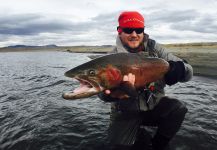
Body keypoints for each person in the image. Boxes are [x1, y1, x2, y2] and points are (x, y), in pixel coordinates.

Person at [98, 11, 193, 150]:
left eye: (139, 30)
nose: (134, 34)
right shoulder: (111, 58)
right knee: (118, 147)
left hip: (154, 106)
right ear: (120, 31)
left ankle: (158, 145)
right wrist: (109, 94)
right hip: (126, 113)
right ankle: (137, 134)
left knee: (178, 108)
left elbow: (189, 72)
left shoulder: (155, 48)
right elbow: (100, 93)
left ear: (143, 31)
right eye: (128, 30)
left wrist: (180, 69)